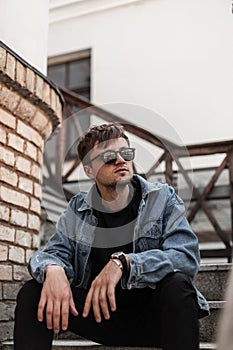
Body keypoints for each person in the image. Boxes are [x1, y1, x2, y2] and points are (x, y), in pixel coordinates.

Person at [14, 122, 209, 350]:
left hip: (155, 318)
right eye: (108, 157)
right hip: (98, 315)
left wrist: (124, 263)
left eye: (125, 153)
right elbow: (53, 252)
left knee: (177, 284)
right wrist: (52, 268)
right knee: (33, 291)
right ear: (89, 170)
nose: (120, 160)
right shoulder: (78, 209)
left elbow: (185, 258)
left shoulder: (162, 198)